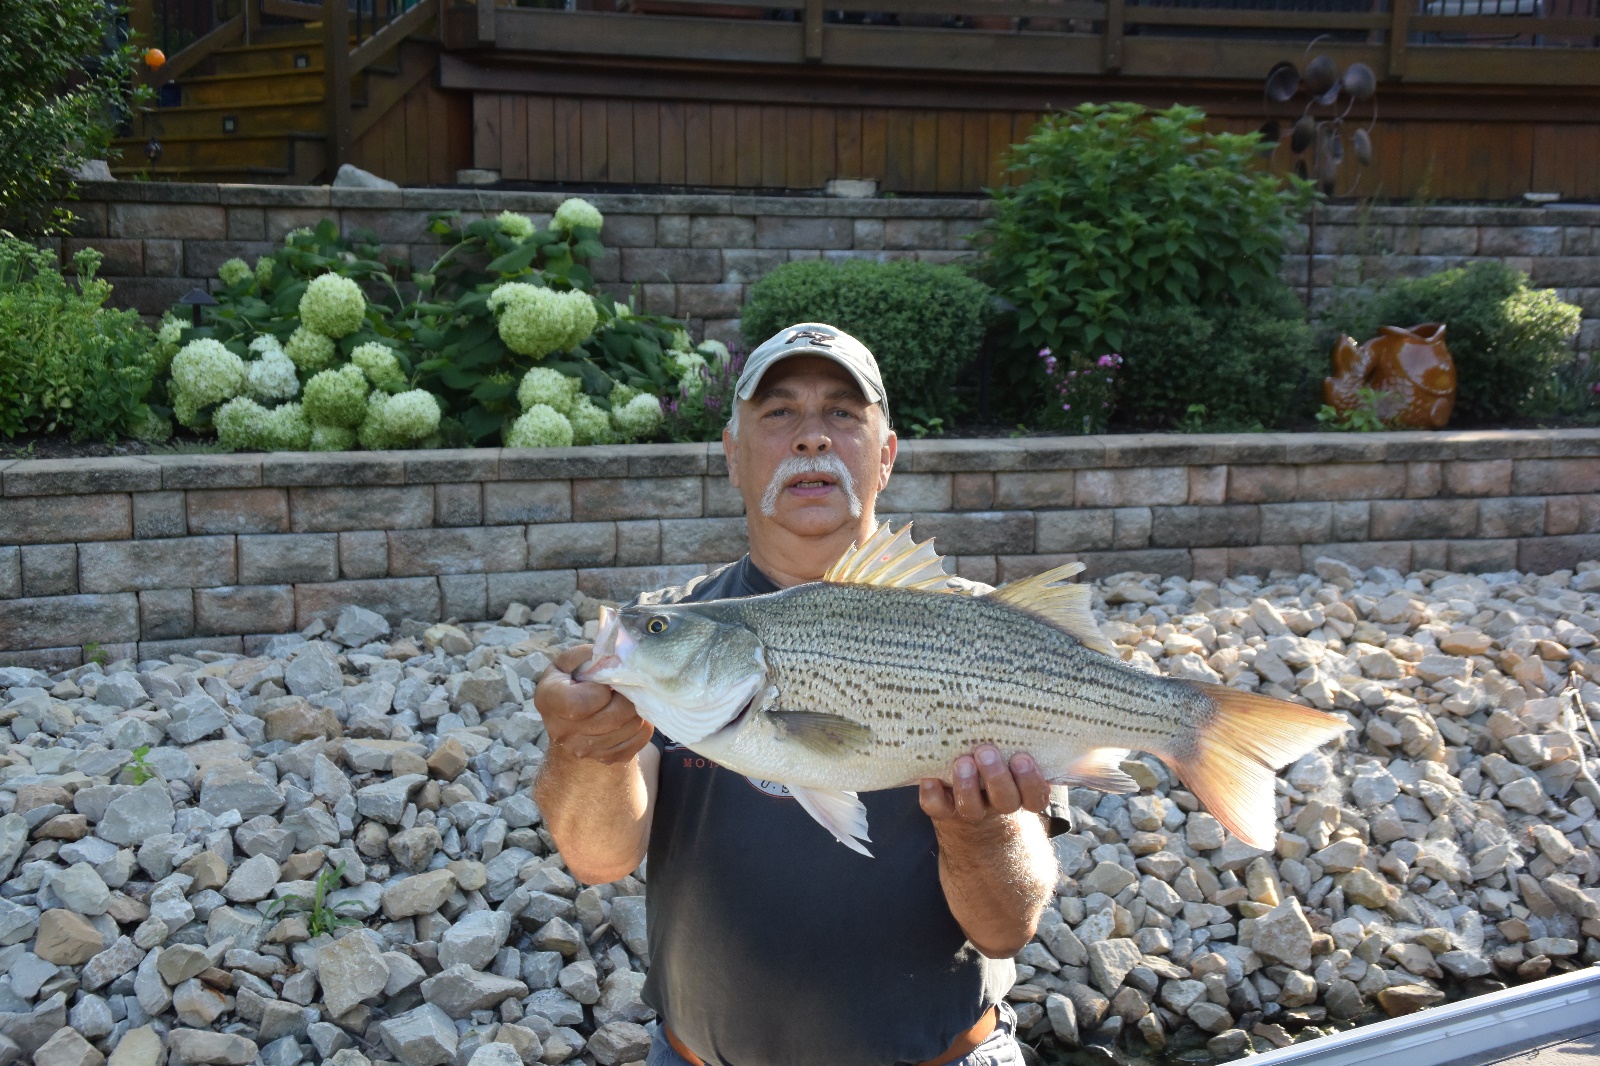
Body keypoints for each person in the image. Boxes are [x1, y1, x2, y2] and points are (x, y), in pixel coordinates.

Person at [532, 323, 1059, 1066]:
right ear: (732, 455)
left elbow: (1007, 928)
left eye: (843, 414)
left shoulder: (985, 633)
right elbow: (597, 858)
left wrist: (980, 831)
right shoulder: (677, 632)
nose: (812, 438)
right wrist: (588, 749)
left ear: (886, 454)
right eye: (778, 413)